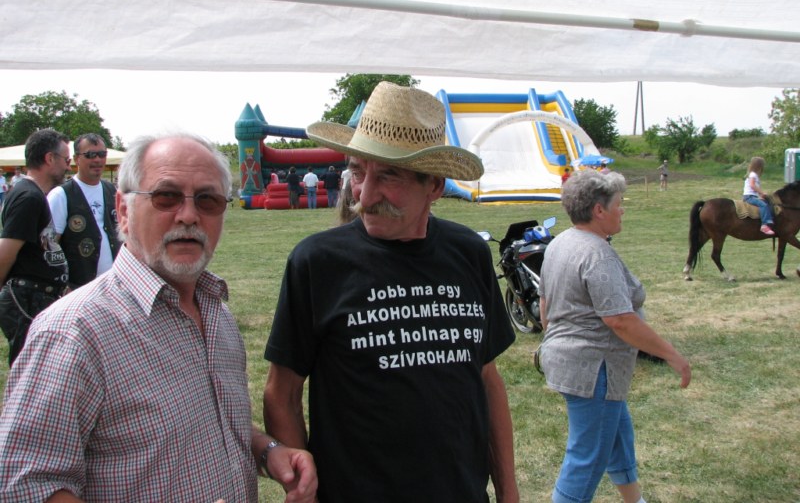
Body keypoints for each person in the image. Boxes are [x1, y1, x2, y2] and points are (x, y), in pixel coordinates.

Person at [0, 132, 317, 502]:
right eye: (166, 196)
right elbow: (26, 486)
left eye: (208, 200)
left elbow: (209, 422)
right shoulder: (73, 332)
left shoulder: (218, 315)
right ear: (123, 210)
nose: (188, 215)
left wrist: (266, 450)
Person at [263, 81, 519, 503]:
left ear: (434, 186)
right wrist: (305, 491)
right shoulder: (317, 263)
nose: (364, 195)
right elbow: (282, 393)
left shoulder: (469, 253)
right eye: (358, 172)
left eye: (388, 175)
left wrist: (509, 493)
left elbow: (486, 378)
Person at [538, 170, 691, 503]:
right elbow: (620, 320)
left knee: (618, 435)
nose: (623, 210)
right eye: (619, 204)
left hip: (574, 365)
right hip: (594, 371)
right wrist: (671, 355)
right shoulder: (597, 254)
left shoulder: (560, 243)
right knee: (587, 457)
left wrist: (557, 346)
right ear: (598, 210)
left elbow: (545, 305)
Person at [0, 129, 70, 365]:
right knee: (29, 369)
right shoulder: (28, 197)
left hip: (35, 296)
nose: (68, 166)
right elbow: (5, 253)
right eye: (66, 159)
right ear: (50, 158)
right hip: (27, 299)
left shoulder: (31, 194)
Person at [47, 134, 120, 288]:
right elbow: (50, 246)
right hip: (77, 287)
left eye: (102, 154)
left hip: (113, 284)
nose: (97, 160)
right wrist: (62, 286)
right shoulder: (61, 195)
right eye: (90, 155)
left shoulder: (111, 190)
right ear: (76, 159)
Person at [743, 156, 775, 236]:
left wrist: (760, 195)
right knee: (763, 205)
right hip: (749, 197)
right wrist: (762, 193)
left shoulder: (753, 175)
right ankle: (764, 225)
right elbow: (752, 185)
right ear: (759, 166)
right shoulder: (753, 175)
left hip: (752, 196)